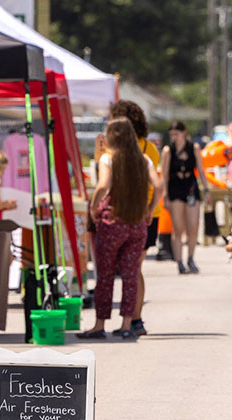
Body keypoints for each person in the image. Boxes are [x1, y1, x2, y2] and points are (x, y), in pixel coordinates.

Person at [78, 118, 163, 340]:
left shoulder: (109, 159)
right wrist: (150, 209)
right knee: (130, 275)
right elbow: (159, 185)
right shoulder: (143, 160)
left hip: (112, 223)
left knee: (105, 275)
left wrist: (94, 207)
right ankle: (126, 325)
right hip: (137, 224)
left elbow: (104, 185)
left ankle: (99, 324)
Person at [109, 100, 160, 335]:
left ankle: (135, 319)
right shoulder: (149, 147)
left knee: (133, 268)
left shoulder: (123, 148)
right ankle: (135, 318)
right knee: (134, 268)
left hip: (137, 213)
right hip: (148, 212)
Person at [160, 120, 208, 275]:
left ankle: (191, 258)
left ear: (184, 133)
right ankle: (179, 261)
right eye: (172, 134)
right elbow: (164, 175)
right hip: (175, 188)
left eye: (177, 134)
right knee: (178, 228)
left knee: (193, 226)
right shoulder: (168, 151)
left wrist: (206, 190)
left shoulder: (193, 148)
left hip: (191, 187)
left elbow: (201, 170)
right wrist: (165, 195)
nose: (174, 137)